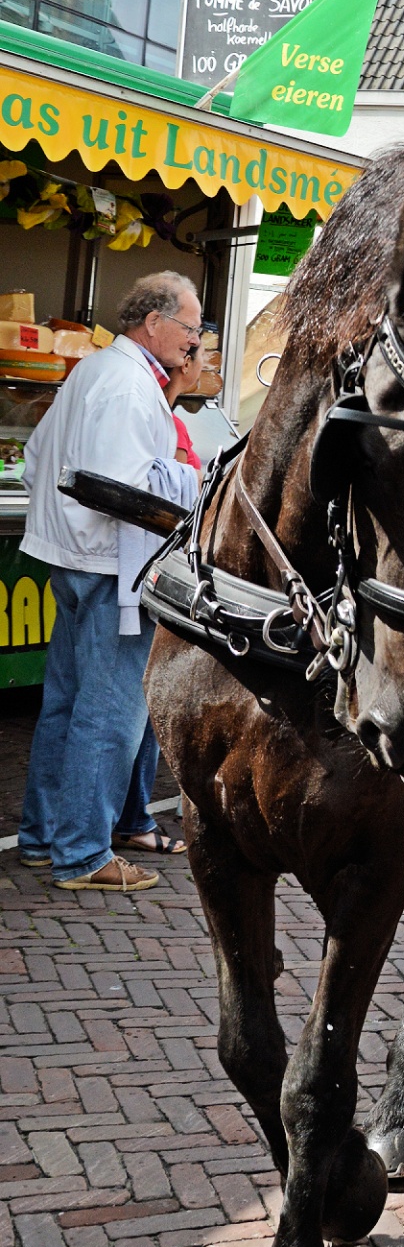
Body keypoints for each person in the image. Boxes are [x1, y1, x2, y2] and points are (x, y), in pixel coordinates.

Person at [18, 272, 202, 892]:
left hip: (74, 560)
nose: (195, 339)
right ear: (153, 322)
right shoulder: (127, 385)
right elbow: (125, 490)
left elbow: (36, 459)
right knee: (110, 714)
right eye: (190, 326)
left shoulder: (97, 371)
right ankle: (84, 855)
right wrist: (188, 484)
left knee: (67, 706)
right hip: (107, 567)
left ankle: (46, 840)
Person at [113, 339, 209, 863]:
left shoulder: (170, 416)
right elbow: (171, 486)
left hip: (157, 569)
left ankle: (132, 817)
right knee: (134, 711)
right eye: (200, 354)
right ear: (184, 367)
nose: (206, 365)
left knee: (140, 712)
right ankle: (128, 820)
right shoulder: (164, 419)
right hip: (156, 573)